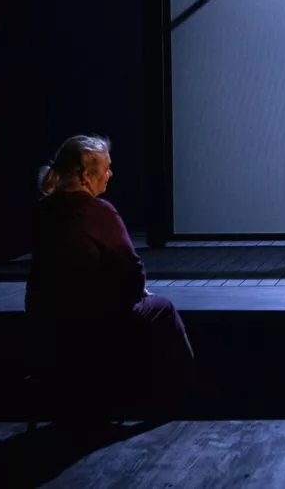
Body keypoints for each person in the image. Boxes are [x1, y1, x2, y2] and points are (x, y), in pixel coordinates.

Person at [26, 134, 195, 417]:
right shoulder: (97, 211)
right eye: (106, 168)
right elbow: (132, 270)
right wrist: (136, 293)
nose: (110, 174)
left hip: (46, 318)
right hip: (94, 322)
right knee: (162, 309)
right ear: (84, 175)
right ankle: (181, 395)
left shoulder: (44, 209)